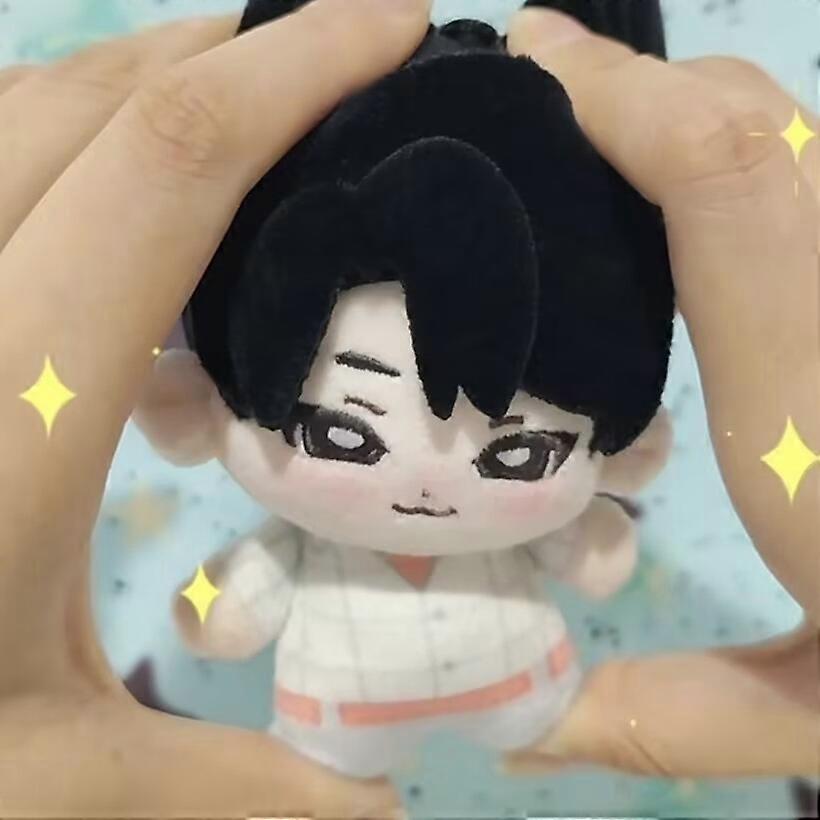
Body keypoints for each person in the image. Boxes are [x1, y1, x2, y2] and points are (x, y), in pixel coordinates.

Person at [0, 0, 815, 816]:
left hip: (518, 695)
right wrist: (216, 607)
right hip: (345, 722)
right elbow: (227, 612)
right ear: (191, 408)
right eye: (340, 434)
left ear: (628, 448)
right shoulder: (290, 535)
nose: (427, 487)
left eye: (519, 453)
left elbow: (595, 556)